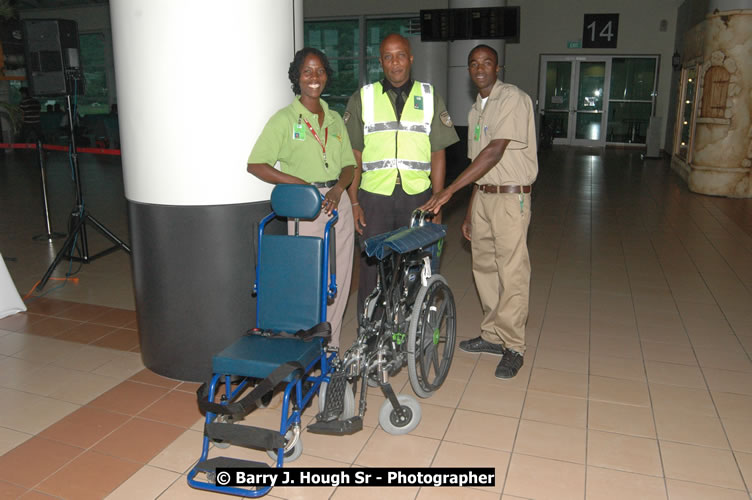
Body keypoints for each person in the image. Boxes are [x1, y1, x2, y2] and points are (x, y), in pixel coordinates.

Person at [420, 44, 538, 379]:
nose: (480, 68)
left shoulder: (512, 99)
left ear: (498, 68)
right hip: (485, 197)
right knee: (484, 266)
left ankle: (513, 346)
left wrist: (449, 191)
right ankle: (492, 336)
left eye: (487, 62)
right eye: (474, 64)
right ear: (469, 71)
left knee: (512, 271)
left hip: (511, 198)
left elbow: (495, 152)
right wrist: (471, 211)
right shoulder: (476, 111)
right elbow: (478, 166)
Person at [247, 47, 356, 348]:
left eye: (319, 71)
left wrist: (337, 190)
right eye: (307, 71)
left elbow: (349, 164)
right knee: (307, 280)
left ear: (326, 76)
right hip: (305, 206)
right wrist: (296, 183)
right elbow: (256, 164)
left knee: (339, 277)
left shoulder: (335, 119)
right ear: (297, 77)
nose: (314, 77)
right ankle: (305, 348)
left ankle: (331, 346)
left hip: (338, 202)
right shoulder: (284, 119)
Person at [344, 33, 459, 317]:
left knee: (418, 265)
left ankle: (412, 327)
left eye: (400, 55)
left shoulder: (430, 97)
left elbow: (438, 152)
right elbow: (354, 155)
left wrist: (437, 200)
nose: (395, 62)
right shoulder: (363, 98)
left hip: (418, 198)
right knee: (372, 268)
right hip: (374, 198)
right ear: (380, 62)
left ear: (411, 58)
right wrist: (354, 202)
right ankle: (370, 333)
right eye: (387, 56)